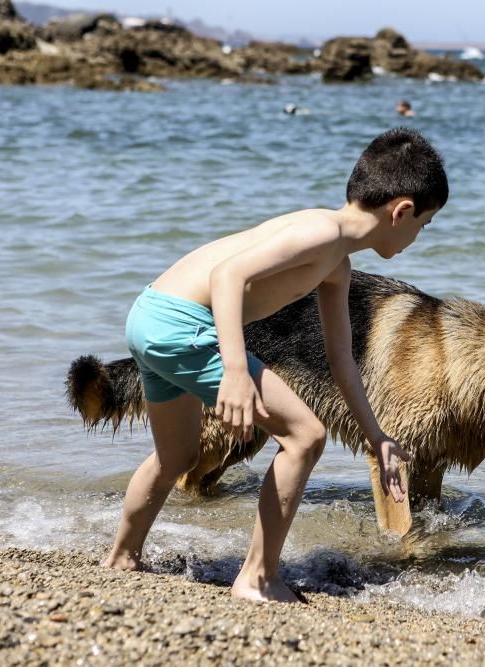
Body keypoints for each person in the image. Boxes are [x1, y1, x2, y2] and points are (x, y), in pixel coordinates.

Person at [104, 127, 447, 603]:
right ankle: (257, 577)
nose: (418, 236)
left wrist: (378, 437)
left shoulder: (336, 263)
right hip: (183, 324)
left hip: (150, 318)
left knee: (176, 457)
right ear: (402, 210)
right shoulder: (320, 233)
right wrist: (236, 372)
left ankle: (122, 556)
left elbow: (341, 359)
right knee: (306, 436)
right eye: (424, 225)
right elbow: (229, 275)